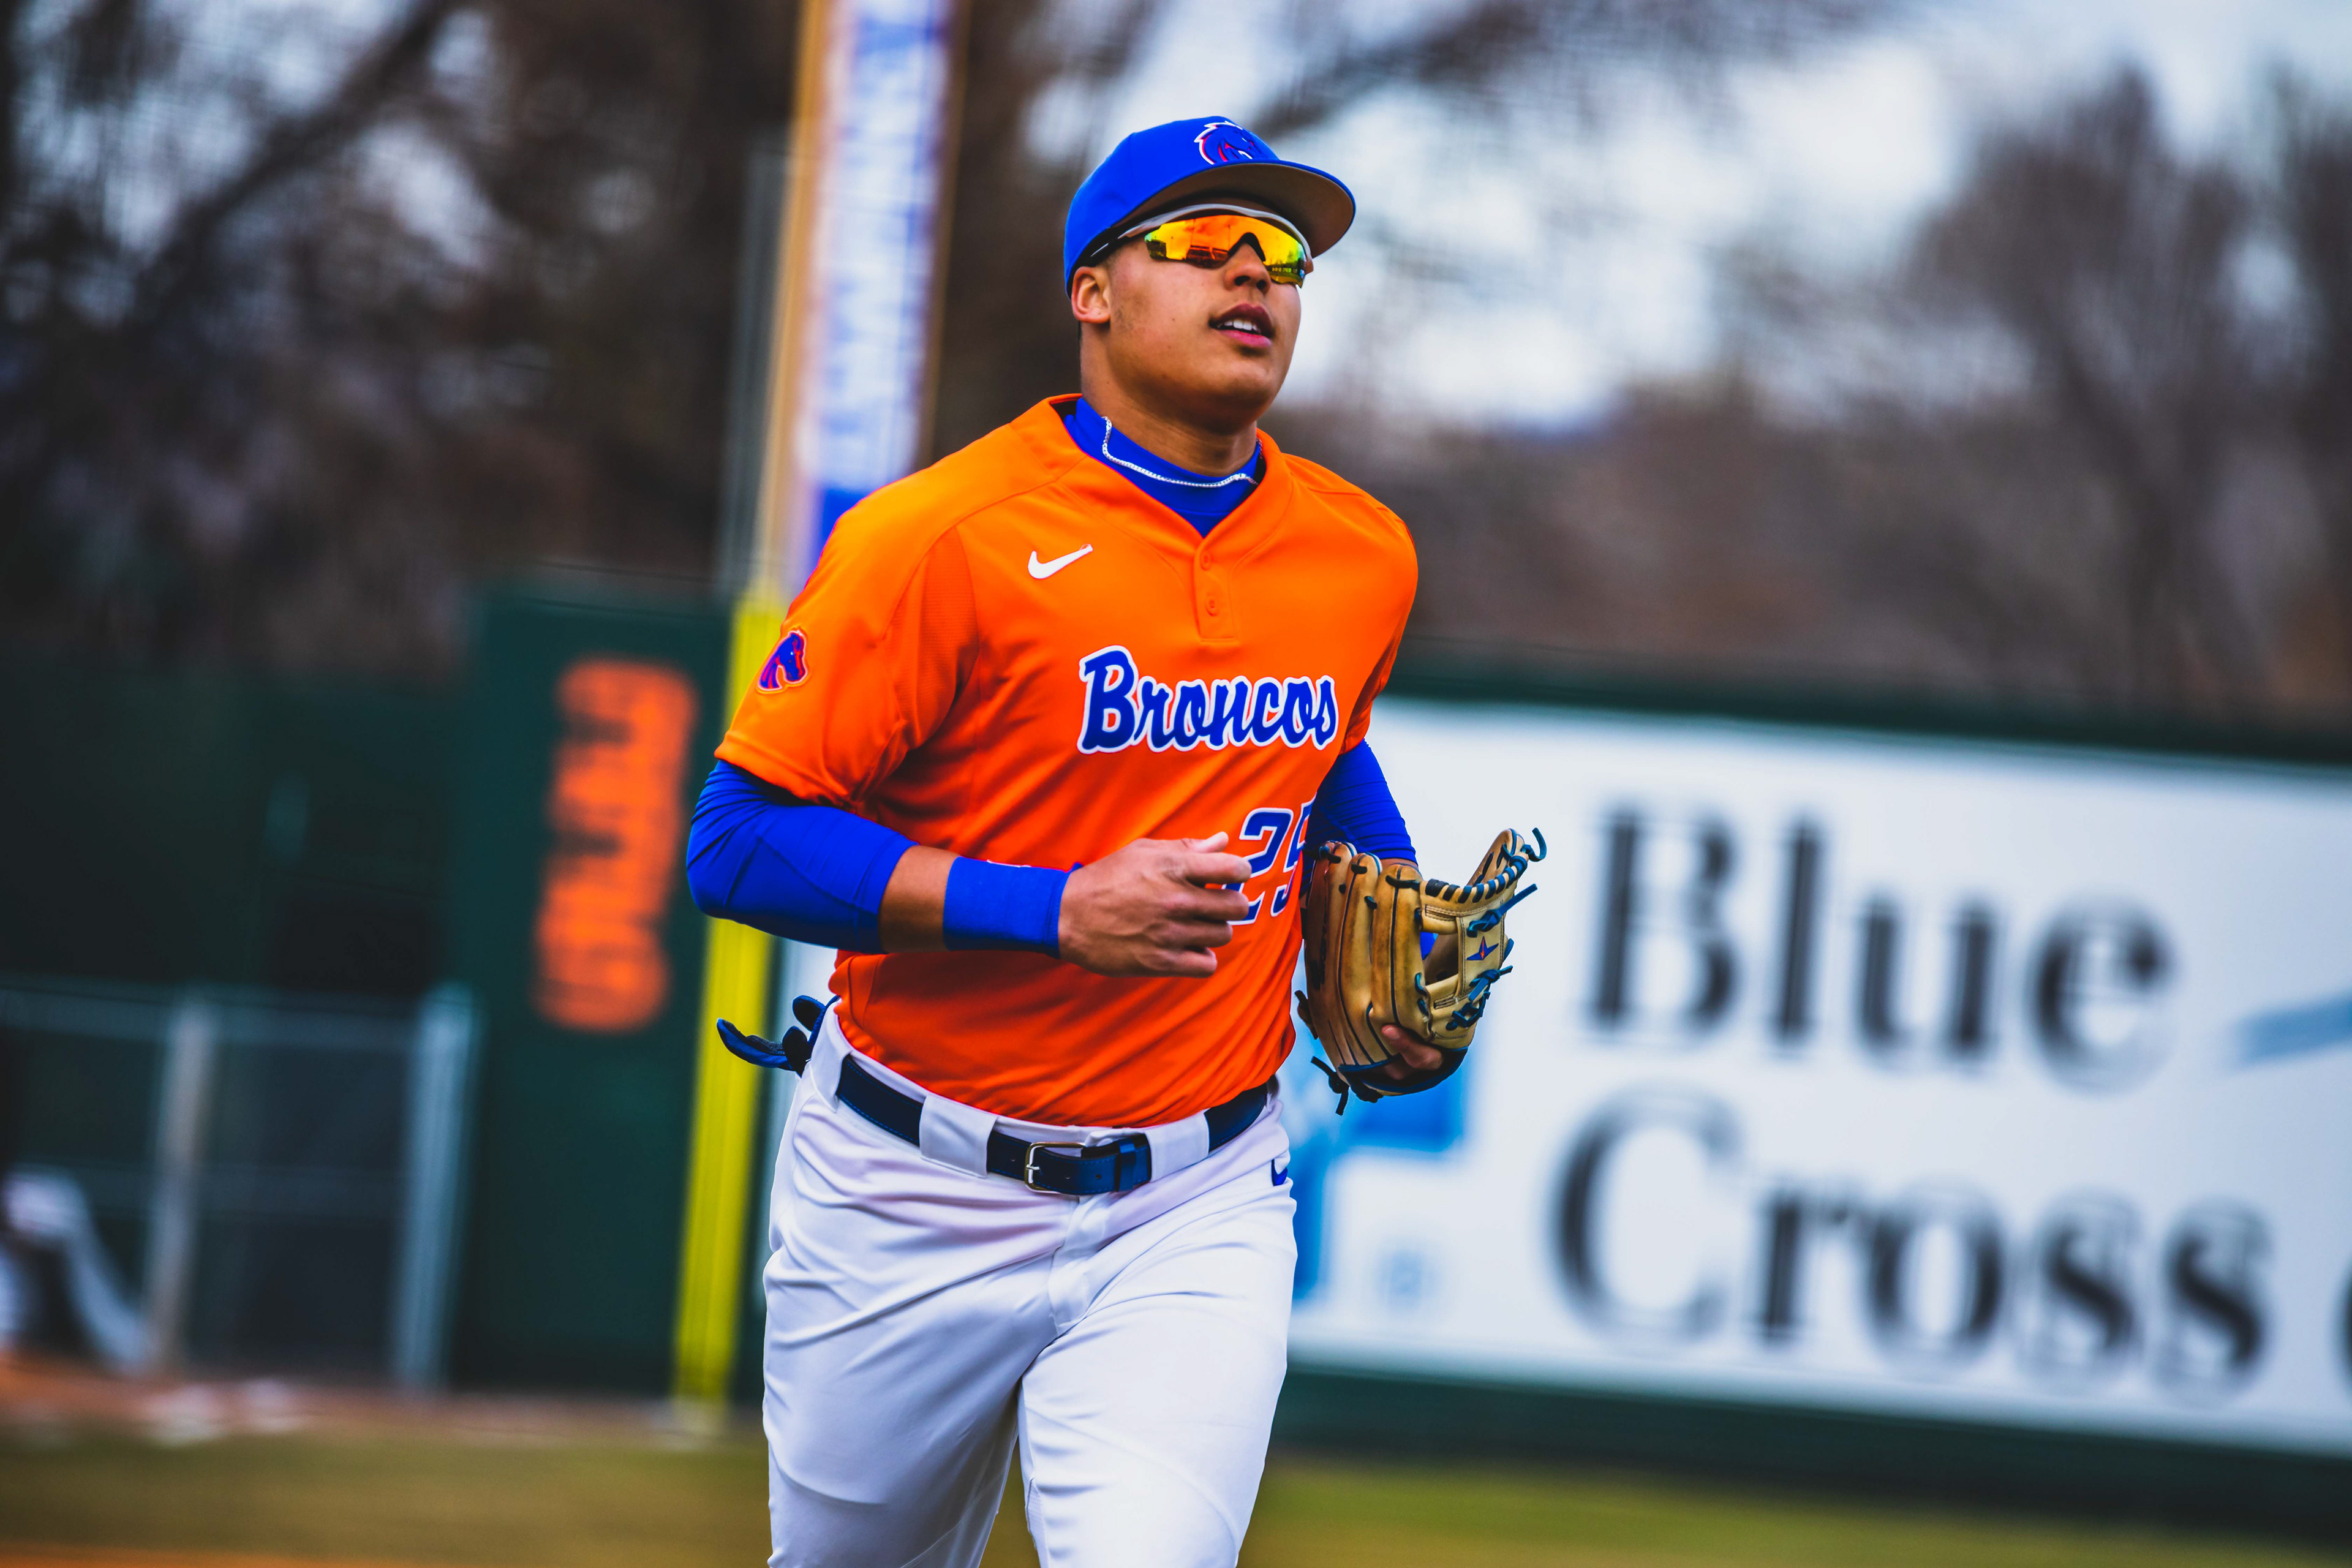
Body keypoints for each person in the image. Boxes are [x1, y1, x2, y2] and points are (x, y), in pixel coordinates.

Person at [689, 114, 1438, 1568]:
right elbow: (735, 842)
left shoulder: (1360, 552)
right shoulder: (942, 538)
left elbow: (1326, 736)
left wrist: (1390, 899)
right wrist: (1050, 908)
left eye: (1282, 253)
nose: (1258, 276)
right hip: (907, 1180)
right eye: (1206, 243)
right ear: (1093, 291)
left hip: (1196, 1195)